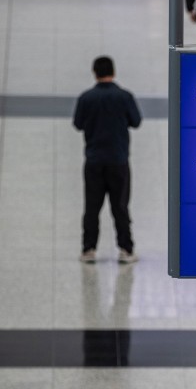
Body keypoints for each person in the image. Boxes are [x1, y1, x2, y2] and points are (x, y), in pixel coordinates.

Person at [72, 56, 142, 264]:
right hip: (118, 160)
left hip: (94, 160)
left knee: (92, 207)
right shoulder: (125, 97)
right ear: (113, 72)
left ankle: (89, 249)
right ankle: (125, 249)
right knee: (120, 206)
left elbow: (78, 124)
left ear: (95, 72)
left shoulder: (86, 98)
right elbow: (136, 121)